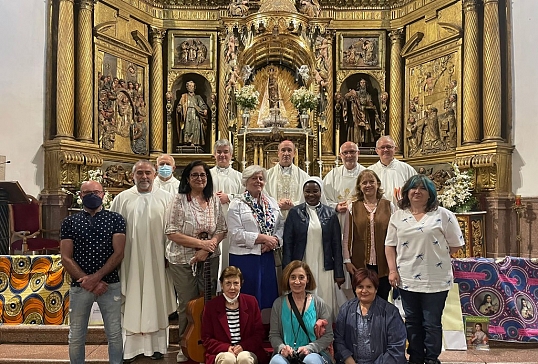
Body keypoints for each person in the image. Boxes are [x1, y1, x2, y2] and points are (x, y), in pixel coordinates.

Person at [385, 175, 464, 364]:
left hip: (435, 279)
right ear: (407, 193)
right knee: (412, 321)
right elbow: (390, 245)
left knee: (431, 323)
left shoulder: (443, 215)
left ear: (430, 194)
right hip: (407, 277)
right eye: (413, 188)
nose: (417, 192)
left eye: (422, 189)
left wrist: (434, 255)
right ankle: (415, 357)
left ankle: (431, 359)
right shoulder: (398, 216)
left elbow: (455, 245)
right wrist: (392, 270)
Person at [109, 160, 176, 362]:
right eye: (140, 173)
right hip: (129, 261)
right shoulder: (122, 199)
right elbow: (112, 231)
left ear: (154, 175)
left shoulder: (167, 198)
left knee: (156, 299)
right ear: (133, 176)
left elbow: (172, 230)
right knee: (132, 299)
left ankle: (157, 347)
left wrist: (168, 255)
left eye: (148, 173)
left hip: (158, 261)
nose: (144, 177)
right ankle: (130, 349)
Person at [165, 160, 227, 363]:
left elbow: (222, 229)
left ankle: (208, 342)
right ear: (187, 178)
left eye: (203, 175)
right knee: (188, 303)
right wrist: (201, 245)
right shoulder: (179, 200)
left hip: (209, 259)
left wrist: (208, 247)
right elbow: (172, 232)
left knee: (208, 302)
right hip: (183, 260)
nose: (200, 178)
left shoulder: (213, 200)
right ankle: (186, 343)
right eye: (195, 175)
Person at [60, 181, 126, 364]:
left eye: (96, 192)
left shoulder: (116, 219)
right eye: (87, 192)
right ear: (80, 196)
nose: (92, 195)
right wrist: (86, 280)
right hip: (80, 286)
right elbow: (66, 257)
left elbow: (119, 252)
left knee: (114, 333)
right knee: (76, 334)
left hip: (109, 284)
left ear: (103, 194)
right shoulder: (69, 221)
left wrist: (95, 279)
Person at [283, 177, 345, 320]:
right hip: (302, 264)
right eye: (307, 191)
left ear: (321, 192)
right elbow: (288, 244)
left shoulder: (330, 214)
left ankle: (325, 331)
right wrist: (287, 271)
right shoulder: (295, 213)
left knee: (324, 297)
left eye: (315, 191)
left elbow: (337, 245)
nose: (311, 195)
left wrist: (339, 272)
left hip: (325, 265)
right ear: (303, 192)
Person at [228, 165, 284, 311]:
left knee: (267, 298)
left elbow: (281, 226)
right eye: (254, 178)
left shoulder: (271, 202)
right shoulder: (236, 204)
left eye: (261, 178)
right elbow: (235, 234)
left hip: (267, 255)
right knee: (247, 299)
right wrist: (263, 238)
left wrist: (275, 241)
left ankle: (264, 330)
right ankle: (246, 330)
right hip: (245, 258)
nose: (258, 181)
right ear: (245, 182)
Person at [333, 269, 406, 364]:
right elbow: (338, 340)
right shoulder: (345, 309)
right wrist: (348, 360)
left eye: (369, 287)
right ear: (355, 289)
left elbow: (396, 347)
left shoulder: (390, 312)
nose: (364, 291)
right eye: (360, 287)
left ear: (375, 289)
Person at [322, 141, 365, 302]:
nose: (349, 155)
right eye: (345, 153)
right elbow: (323, 200)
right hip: (338, 221)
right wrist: (335, 206)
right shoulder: (332, 175)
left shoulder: (365, 173)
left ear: (358, 153)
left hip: (359, 222)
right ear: (340, 155)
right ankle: (342, 296)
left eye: (352, 152)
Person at [343, 169, 395, 300]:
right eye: (364, 182)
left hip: (383, 263)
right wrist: (347, 261)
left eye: (371, 181)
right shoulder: (352, 207)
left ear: (377, 183)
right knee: (362, 299)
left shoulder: (389, 206)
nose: (368, 185)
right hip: (359, 263)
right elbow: (346, 237)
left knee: (382, 299)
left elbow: (395, 237)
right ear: (359, 187)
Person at [268, 261, 334, 364]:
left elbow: (328, 335)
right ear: (288, 279)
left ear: (307, 279)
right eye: (293, 277)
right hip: (287, 354)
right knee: (277, 362)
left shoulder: (319, 303)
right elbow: (274, 335)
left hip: (313, 353)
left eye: (301, 277)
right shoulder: (278, 304)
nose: (297, 282)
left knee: (311, 361)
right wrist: (282, 348)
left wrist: (310, 348)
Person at [201, 266, 268, 364]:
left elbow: (259, 333)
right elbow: (206, 338)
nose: (232, 288)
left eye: (236, 283)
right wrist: (227, 348)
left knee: (244, 358)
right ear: (222, 284)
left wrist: (243, 347)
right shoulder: (211, 306)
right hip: (222, 351)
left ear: (241, 284)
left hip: (246, 349)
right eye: (228, 283)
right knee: (228, 359)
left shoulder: (251, 302)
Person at [210, 139, 244, 276]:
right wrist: (212, 197)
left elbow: (246, 198)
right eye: (219, 152)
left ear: (231, 155)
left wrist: (229, 197)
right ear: (214, 154)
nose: (222, 155)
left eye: (225, 152)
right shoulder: (207, 175)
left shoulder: (239, 177)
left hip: (232, 224)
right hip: (212, 224)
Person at [265, 140, 310, 219]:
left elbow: (309, 198)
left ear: (294, 153)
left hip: (296, 218)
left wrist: (293, 205)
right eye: (283, 150)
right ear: (278, 153)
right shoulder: (267, 175)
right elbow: (263, 196)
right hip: (274, 218)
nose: (286, 154)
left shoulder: (304, 176)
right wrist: (276, 204)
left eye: (289, 150)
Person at [368, 135, 417, 206]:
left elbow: (416, 190)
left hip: (402, 211)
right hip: (378, 213)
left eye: (389, 147)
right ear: (377, 150)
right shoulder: (370, 171)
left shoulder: (407, 169)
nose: (385, 150)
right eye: (382, 147)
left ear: (395, 149)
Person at [343, 79, 375, 145]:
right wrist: (350, 94)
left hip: (364, 113)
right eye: (361, 82)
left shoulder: (367, 95)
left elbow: (370, 103)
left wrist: (368, 106)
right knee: (356, 127)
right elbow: (346, 97)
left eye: (364, 83)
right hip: (355, 113)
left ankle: (364, 143)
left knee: (365, 128)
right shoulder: (356, 93)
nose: (362, 84)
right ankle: (356, 142)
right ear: (359, 84)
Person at [177, 80, 208, 146]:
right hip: (187, 114)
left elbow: (203, 105)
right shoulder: (184, 97)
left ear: (194, 87)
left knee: (195, 128)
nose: (191, 87)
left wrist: (204, 110)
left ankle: (194, 142)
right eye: (189, 86)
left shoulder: (198, 97)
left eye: (192, 86)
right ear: (187, 87)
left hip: (195, 114)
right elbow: (180, 105)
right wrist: (179, 108)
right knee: (187, 128)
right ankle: (186, 141)